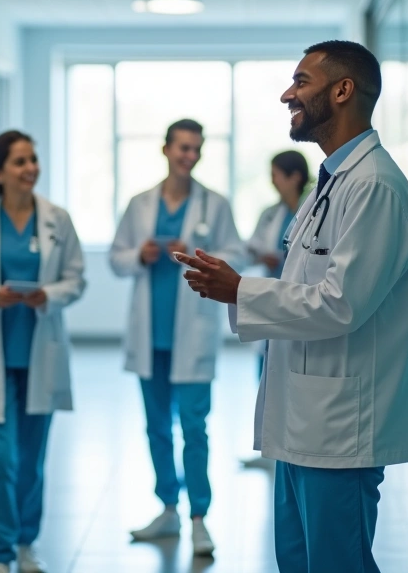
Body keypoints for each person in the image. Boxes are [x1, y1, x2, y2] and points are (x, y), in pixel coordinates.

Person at [176, 41, 408, 573]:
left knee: (337, 563)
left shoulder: (374, 187)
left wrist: (240, 289)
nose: (288, 93)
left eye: (301, 81)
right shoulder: (331, 184)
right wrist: (239, 287)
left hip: (340, 428)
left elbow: (341, 303)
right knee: (297, 560)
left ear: (342, 90)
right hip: (302, 422)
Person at [0, 130, 86, 573]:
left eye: (33, 159)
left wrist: (50, 294)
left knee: (31, 460)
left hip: (39, 353)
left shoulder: (57, 219)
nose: (31, 169)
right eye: (20, 162)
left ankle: (27, 543)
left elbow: (76, 277)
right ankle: (0, 554)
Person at [109, 118, 246, 557]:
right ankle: (168, 508)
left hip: (193, 335)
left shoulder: (215, 205)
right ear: (166, 149)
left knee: (194, 427)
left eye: (196, 149)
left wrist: (203, 255)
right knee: (156, 429)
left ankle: (199, 517)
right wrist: (141, 254)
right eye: (182, 148)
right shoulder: (140, 204)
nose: (189, 156)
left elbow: (237, 254)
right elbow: (116, 258)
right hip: (152, 338)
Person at [240, 150, 309, 471]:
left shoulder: (314, 209)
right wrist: (262, 255)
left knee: (297, 378)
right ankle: (271, 446)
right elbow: (253, 245)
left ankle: (292, 445)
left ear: (294, 176)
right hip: (271, 302)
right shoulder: (271, 213)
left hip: (301, 304)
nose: (272, 180)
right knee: (267, 374)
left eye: (276, 174)